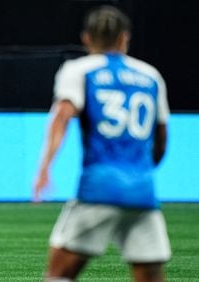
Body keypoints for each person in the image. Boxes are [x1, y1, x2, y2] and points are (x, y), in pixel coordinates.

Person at [33, 5, 171, 282]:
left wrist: (45, 167)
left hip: (98, 189)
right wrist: (143, 169)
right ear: (124, 38)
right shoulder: (150, 76)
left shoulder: (79, 70)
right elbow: (161, 137)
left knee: (60, 272)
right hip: (142, 192)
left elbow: (62, 116)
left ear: (86, 38)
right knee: (150, 274)